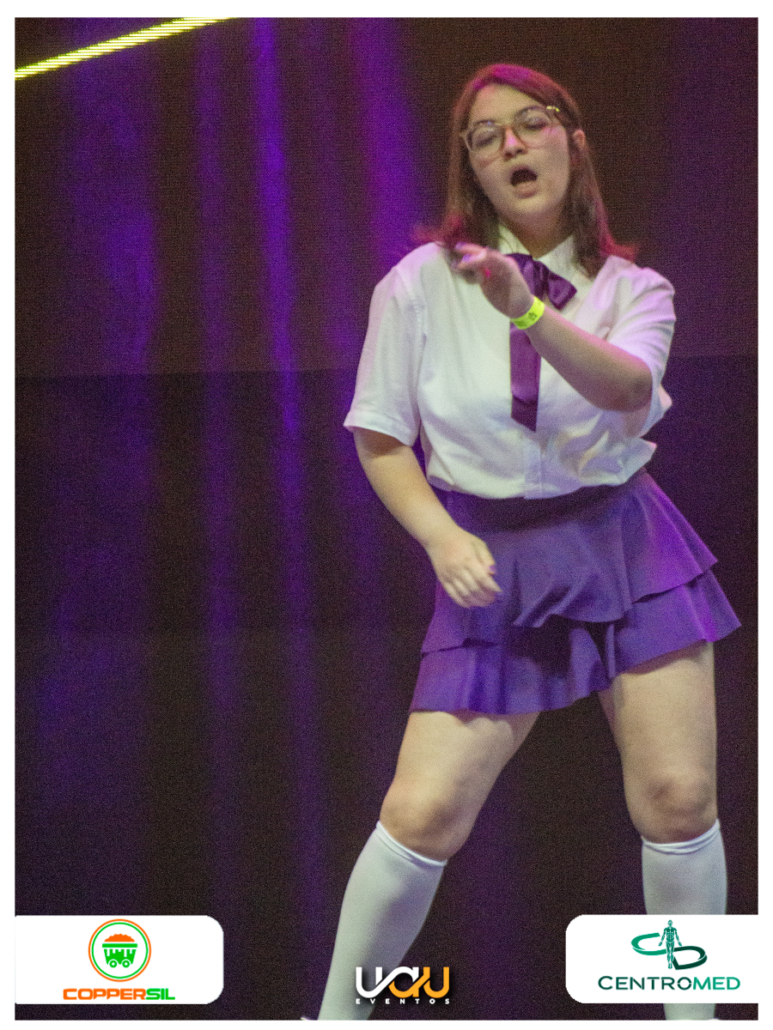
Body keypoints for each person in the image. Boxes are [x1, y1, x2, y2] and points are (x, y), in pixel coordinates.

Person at [316, 63, 739, 1022]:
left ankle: (692, 1017)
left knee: (677, 796)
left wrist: (529, 312)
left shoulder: (635, 288)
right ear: (469, 169)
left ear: (572, 143)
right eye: (484, 136)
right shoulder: (418, 285)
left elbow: (627, 390)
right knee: (422, 812)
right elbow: (379, 434)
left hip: (623, 539)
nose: (510, 143)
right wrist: (438, 537)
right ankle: (336, 1016)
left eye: (531, 123)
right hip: (492, 554)